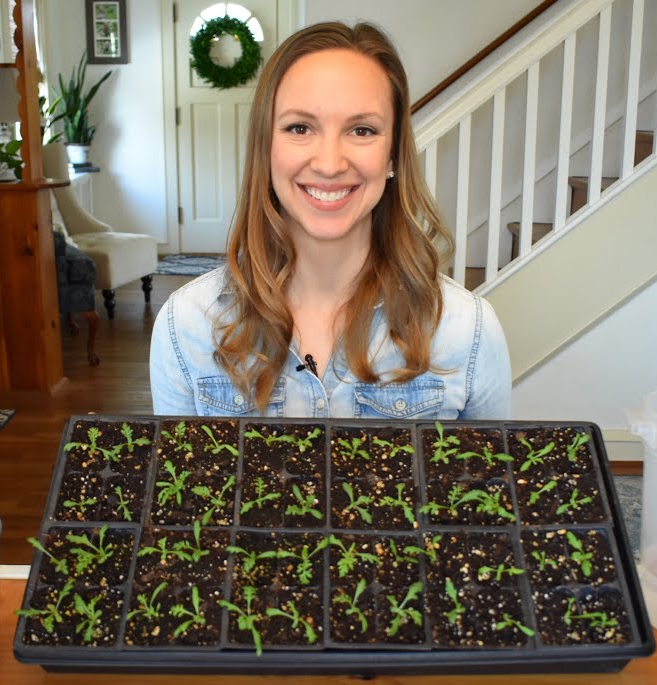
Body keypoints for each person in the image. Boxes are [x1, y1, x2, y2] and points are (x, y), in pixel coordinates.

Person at [150, 21, 510, 419]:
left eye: (362, 130)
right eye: (299, 127)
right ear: (266, 148)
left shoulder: (468, 331)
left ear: (392, 154)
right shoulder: (187, 324)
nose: (329, 164)